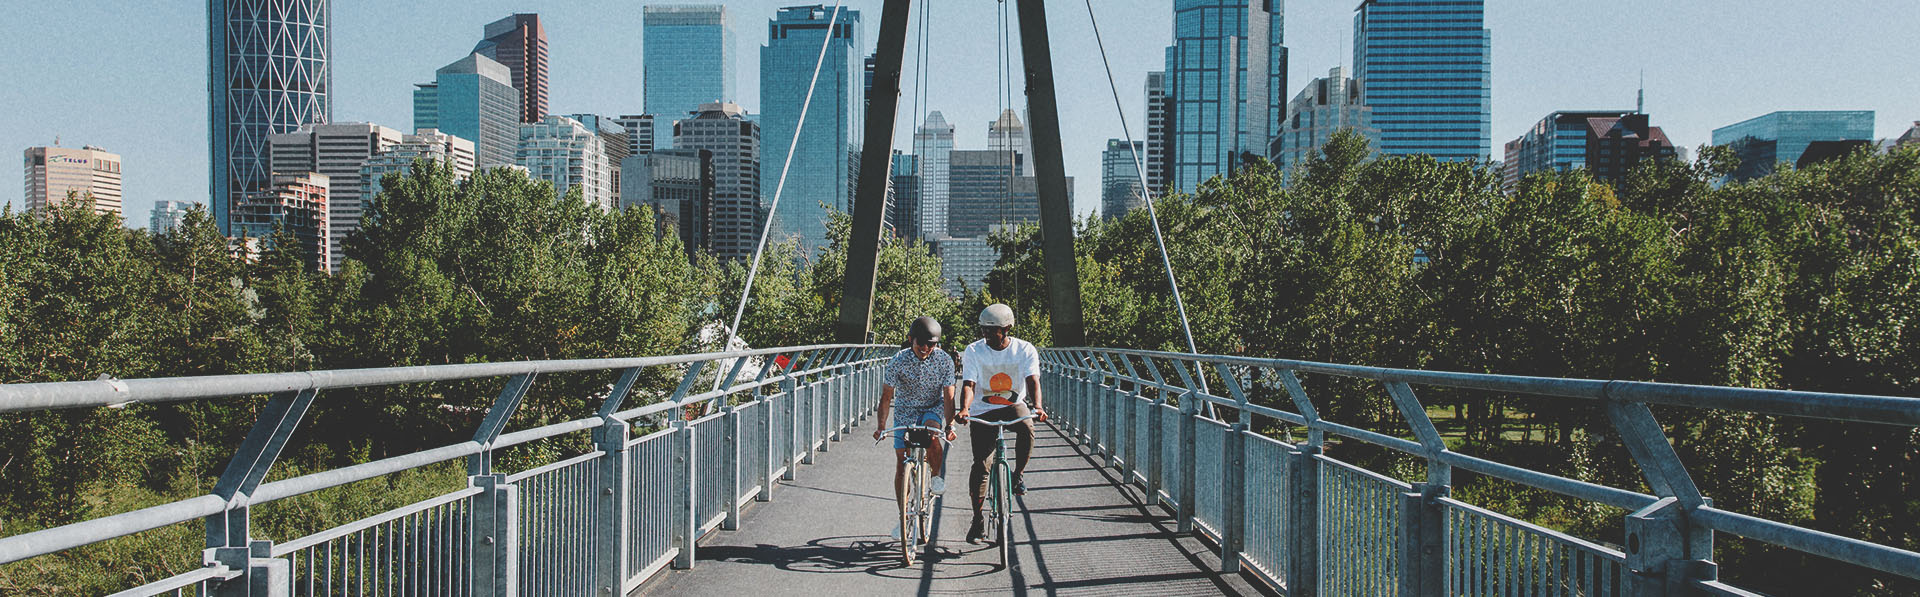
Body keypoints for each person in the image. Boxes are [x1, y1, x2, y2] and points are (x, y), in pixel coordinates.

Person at [954, 303, 1047, 543]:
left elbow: (1033, 380)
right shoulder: (974, 350)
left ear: (1006, 329)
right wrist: (964, 408)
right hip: (983, 409)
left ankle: (1018, 475)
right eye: (983, 329)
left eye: (991, 330)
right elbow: (969, 384)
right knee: (981, 466)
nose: (985, 334)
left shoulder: (1024, 349)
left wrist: (1038, 406)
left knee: (1027, 427)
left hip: (1011, 405)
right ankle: (977, 520)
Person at [872, 316, 957, 540]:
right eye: (922, 343)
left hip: (932, 407)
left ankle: (936, 477)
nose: (926, 348)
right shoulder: (898, 360)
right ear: (911, 339)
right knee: (902, 464)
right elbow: (886, 396)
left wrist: (950, 425)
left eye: (932, 344)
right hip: (905, 410)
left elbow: (948, 397)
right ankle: (904, 518)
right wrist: (881, 427)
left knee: (932, 435)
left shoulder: (944, 360)